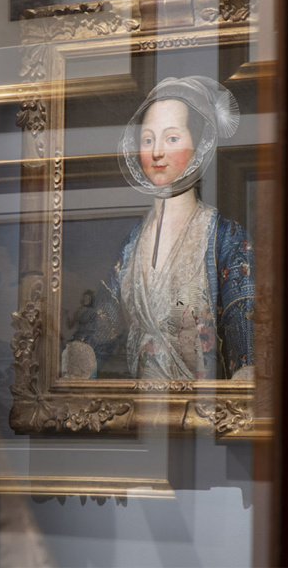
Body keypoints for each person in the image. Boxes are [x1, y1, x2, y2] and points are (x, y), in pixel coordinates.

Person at [62, 76, 255, 380]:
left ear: (198, 144)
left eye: (172, 139)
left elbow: (241, 322)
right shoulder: (133, 242)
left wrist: (246, 373)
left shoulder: (224, 237)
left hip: (200, 414)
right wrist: (80, 357)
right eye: (148, 139)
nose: (157, 153)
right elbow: (102, 318)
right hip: (140, 414)